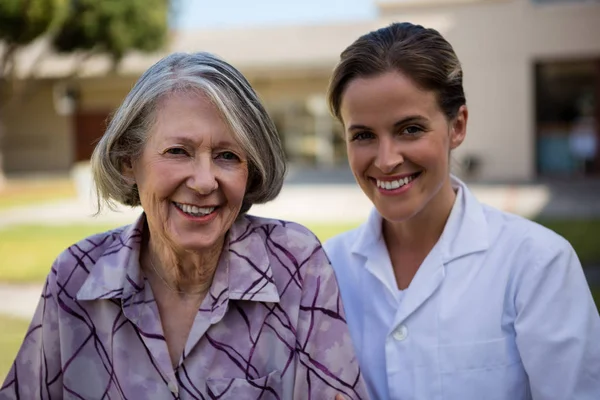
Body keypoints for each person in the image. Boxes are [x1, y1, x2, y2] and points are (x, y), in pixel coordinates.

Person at [0, 52, 368, 399]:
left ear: (250, 169)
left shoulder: (295, 264)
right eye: (178, 152)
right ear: (129, 161)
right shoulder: (77, 276)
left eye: (227, 156)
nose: (205, 182)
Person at [324, 22, 600, 400]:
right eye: (363, 135)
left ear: (457, 126)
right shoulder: (325, 270)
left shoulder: (537, 264)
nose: (386, 160)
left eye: (410, 129)